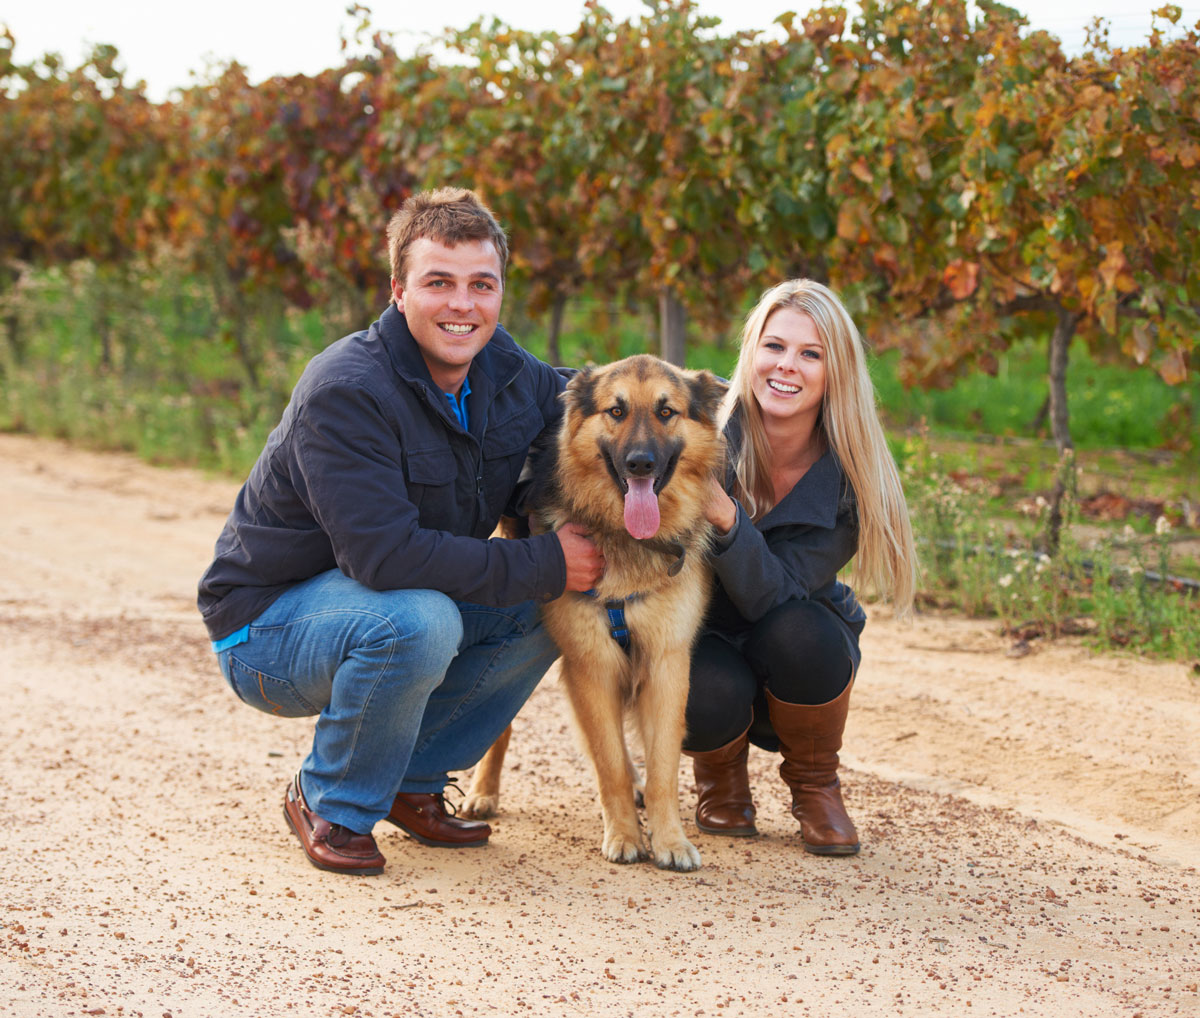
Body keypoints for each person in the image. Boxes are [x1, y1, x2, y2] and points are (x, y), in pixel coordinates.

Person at [197, 187, 604, 876]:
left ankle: (412, 779)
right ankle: (331, 799)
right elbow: (383, 559)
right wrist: (546, 558)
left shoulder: (505, 370)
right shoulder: (347, 389)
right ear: (397, 290)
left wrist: (712, 412)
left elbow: (592, 399)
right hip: (268, 628)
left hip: (391, 601)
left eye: (482, 284)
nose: (462, 305)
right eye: (438, 282)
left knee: (552, 608)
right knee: (419, 621)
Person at [684, 279, 917, 855]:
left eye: (811, 354)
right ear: (751, 352)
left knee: (804, 633)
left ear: (835, 371)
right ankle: (720, 780)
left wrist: (723, 514)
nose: (787, 366)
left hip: (791, 656)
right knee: (696, 678)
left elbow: (776, 597)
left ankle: (815, 787)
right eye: (775, 346)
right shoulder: (699, 433)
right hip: (705, 637)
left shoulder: (852, 479)